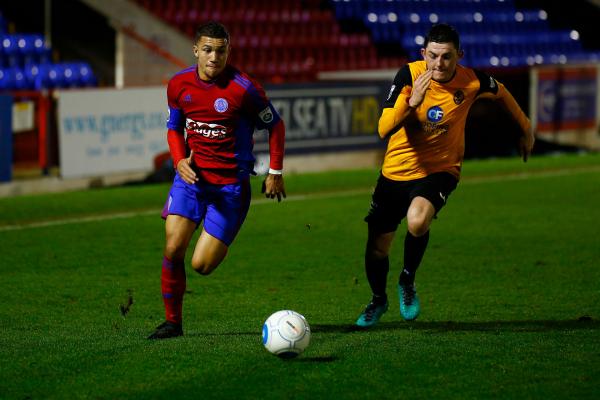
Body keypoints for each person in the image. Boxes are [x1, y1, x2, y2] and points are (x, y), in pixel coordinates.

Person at [355, 23, 535, 328]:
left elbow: (501, 91)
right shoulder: (410, 76)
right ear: (424, 53)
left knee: (417, 220)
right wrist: (411, 103)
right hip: (395, 173)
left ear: (459, 56)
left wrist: (526, 127)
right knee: (377, 248)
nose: (439, 64)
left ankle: (407, 281)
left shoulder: (472, 81)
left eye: (447, 57)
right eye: (434, 56)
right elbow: (384, 129)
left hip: (440, 170)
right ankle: (378, 299)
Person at [148, 21, 286, 339]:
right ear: (196, 49)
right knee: (173, 247)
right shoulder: (179, 84)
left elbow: (275, 126)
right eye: (208, 50)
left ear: (228, 52)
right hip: (192, 180)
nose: (214, 57)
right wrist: (179, 159)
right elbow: (174, 127)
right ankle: (173, 322)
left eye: (220, 51)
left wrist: (275, 172)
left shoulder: (244, 89)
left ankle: (219, 230)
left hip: (230, 188)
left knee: (201, 265)